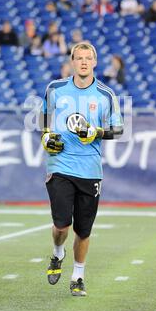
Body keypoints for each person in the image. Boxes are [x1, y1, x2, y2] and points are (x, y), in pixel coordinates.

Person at [41, 41, 124, 296]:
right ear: (72, 61)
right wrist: (45, 137)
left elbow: (119, 129)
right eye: (79, 58)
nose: (84, 62)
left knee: (83, 230)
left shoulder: (105, 94)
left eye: (89, 58)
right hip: (61, 165)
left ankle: (78, 276)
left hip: (90, 170)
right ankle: (57, 253)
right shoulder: (55, 88)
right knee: (62, 225)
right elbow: (45, 119)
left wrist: (96, 132)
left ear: (95, 62)